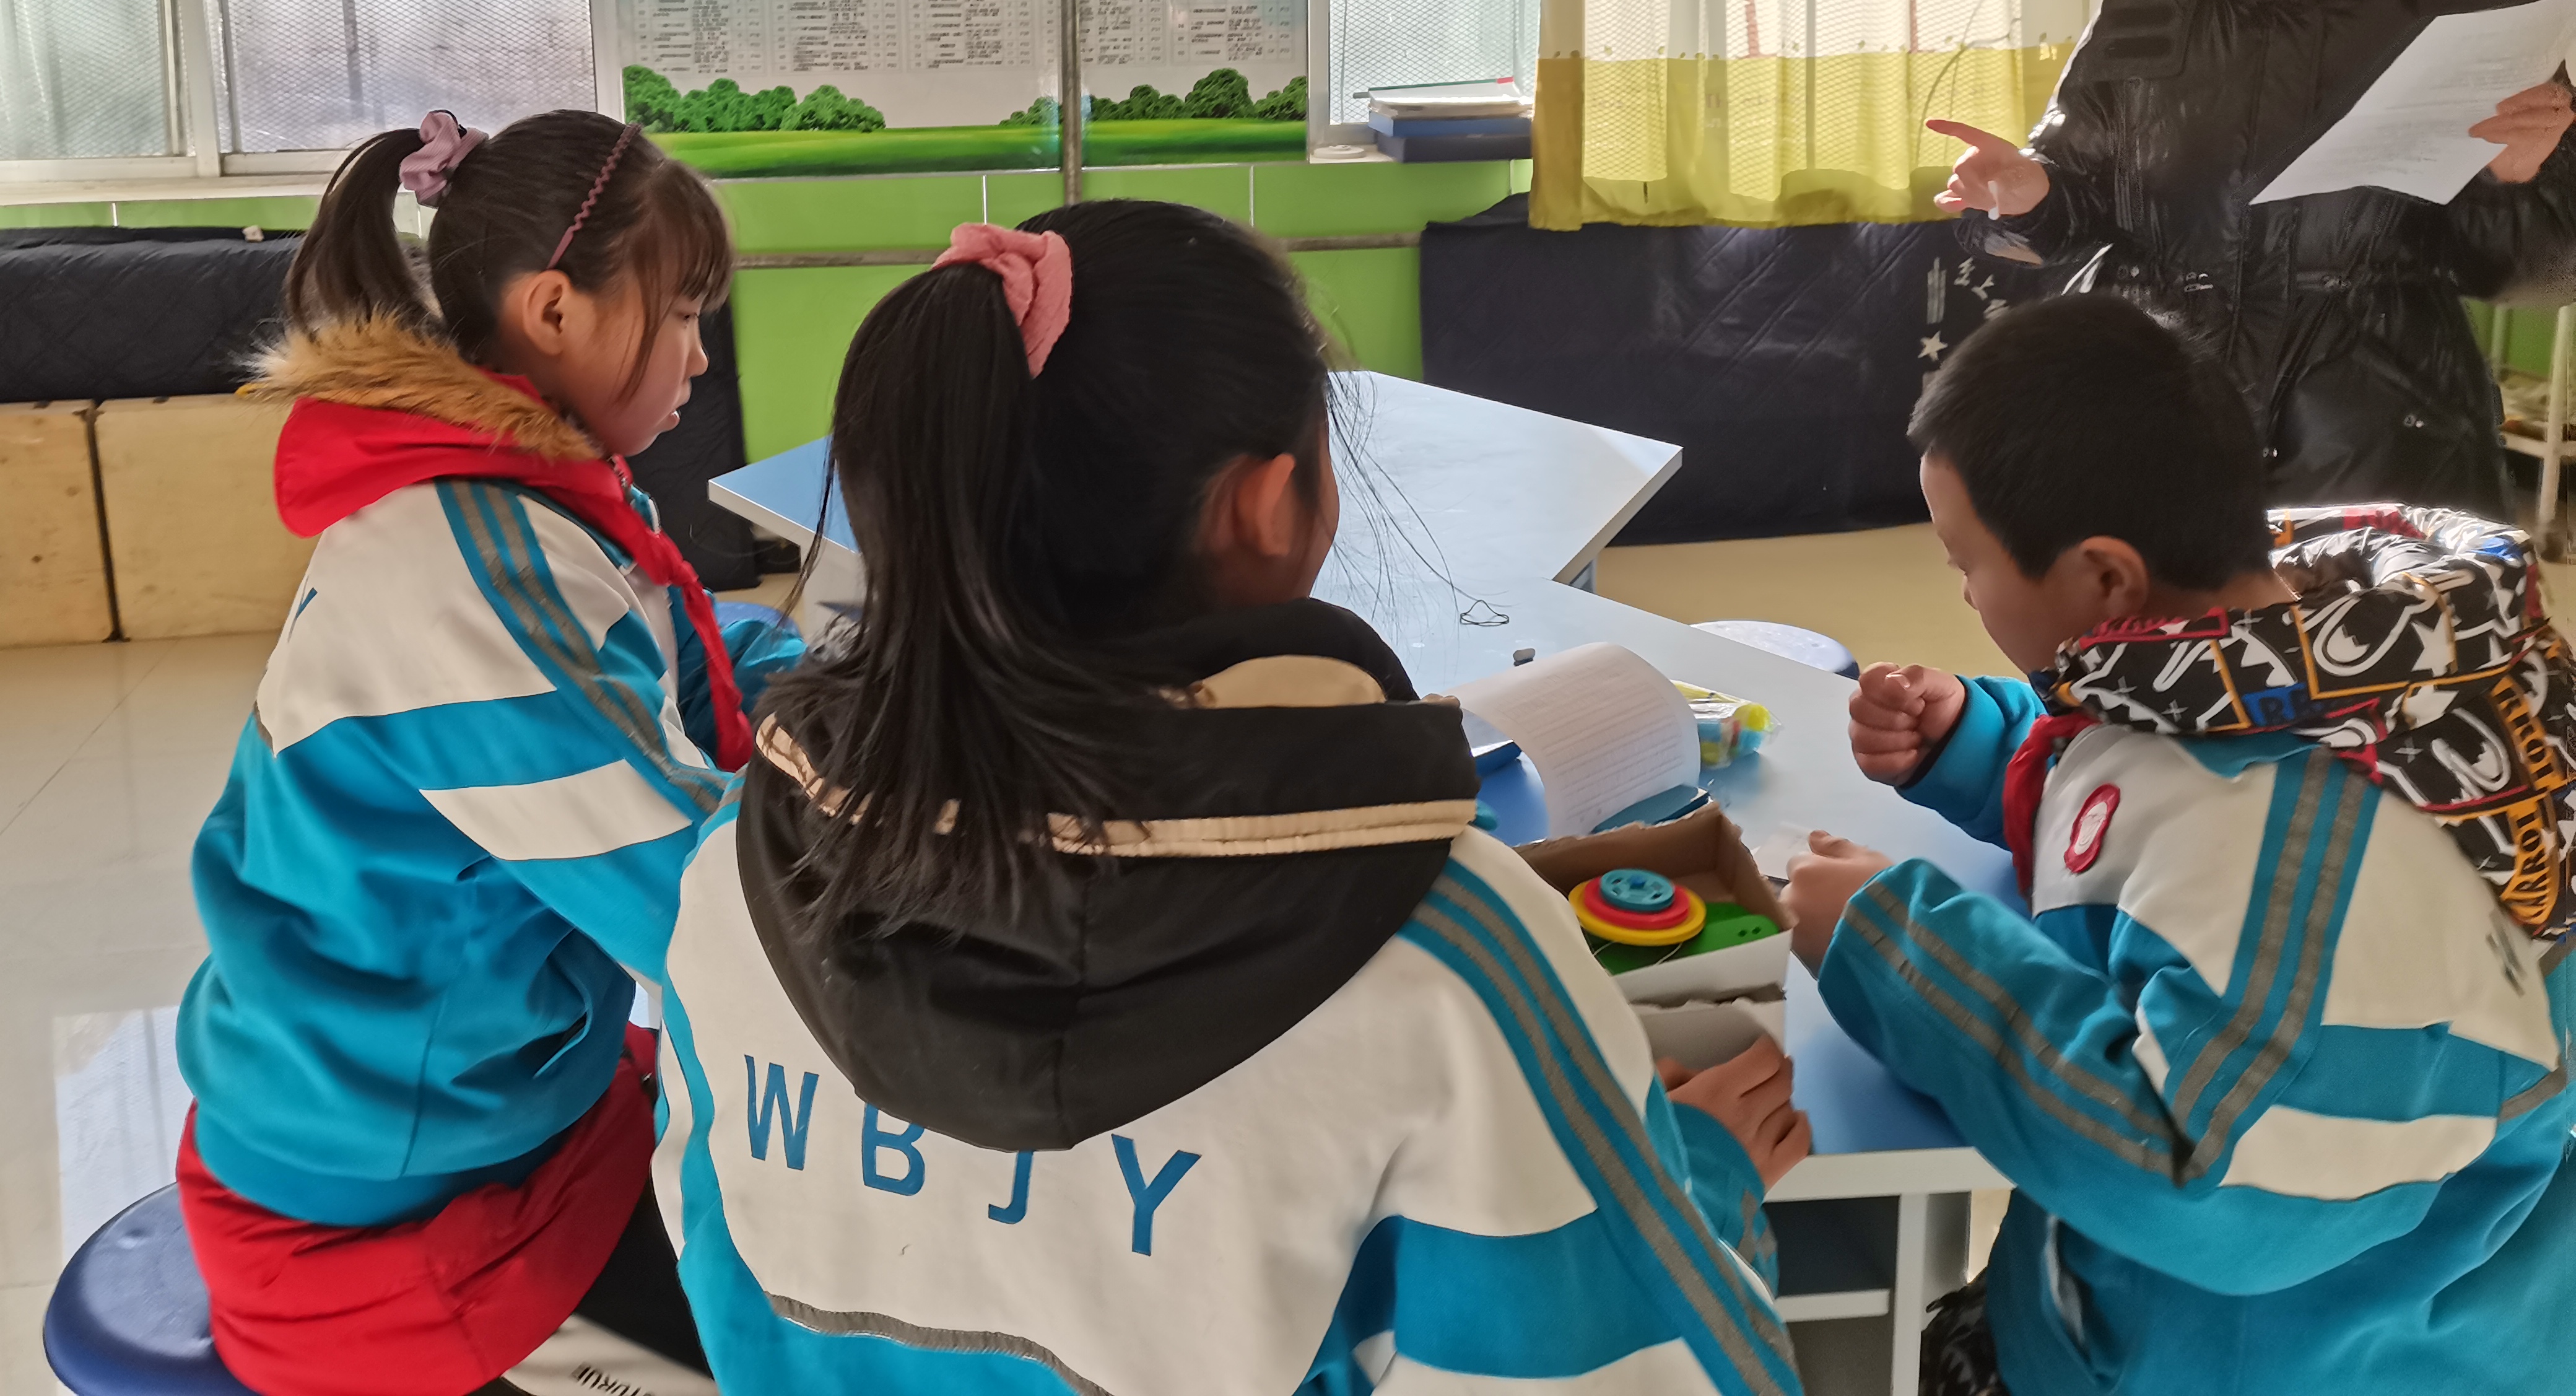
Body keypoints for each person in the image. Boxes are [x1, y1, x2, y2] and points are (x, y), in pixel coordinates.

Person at [643, 201, 1811, 1395]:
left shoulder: (739, 869)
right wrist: (1686, 1195)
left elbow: (716, 1258)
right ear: (1264, 506)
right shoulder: (1451, 961)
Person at [1784, 295, 2576, 1396]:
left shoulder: (2317, 853)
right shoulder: (2310, 661)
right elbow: (2151, 770)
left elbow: (2207, 1185)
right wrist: (1970, 742)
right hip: (2220, 1314)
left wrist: (1899, 948)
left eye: (1967, 562)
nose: (1961, 593)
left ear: (2107, 578)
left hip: (2298, 1360)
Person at [172, 109, 804, 1396]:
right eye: (684, 316)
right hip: (392, 1207)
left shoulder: (526, 492)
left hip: (468, 1101)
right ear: (556, 312)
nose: (699, 357)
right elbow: (701, 912)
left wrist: (843, 681)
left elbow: (678, 659)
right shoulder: (467, 572)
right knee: (813, 1341)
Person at [1929, 0, 2576, 517]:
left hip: (2375, 429)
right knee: (2130, 600)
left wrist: (2519, 177)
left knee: (2344, 609)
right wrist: (2028, 193)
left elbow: (2532, 272)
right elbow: (2079, 191)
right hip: (2148, 406)